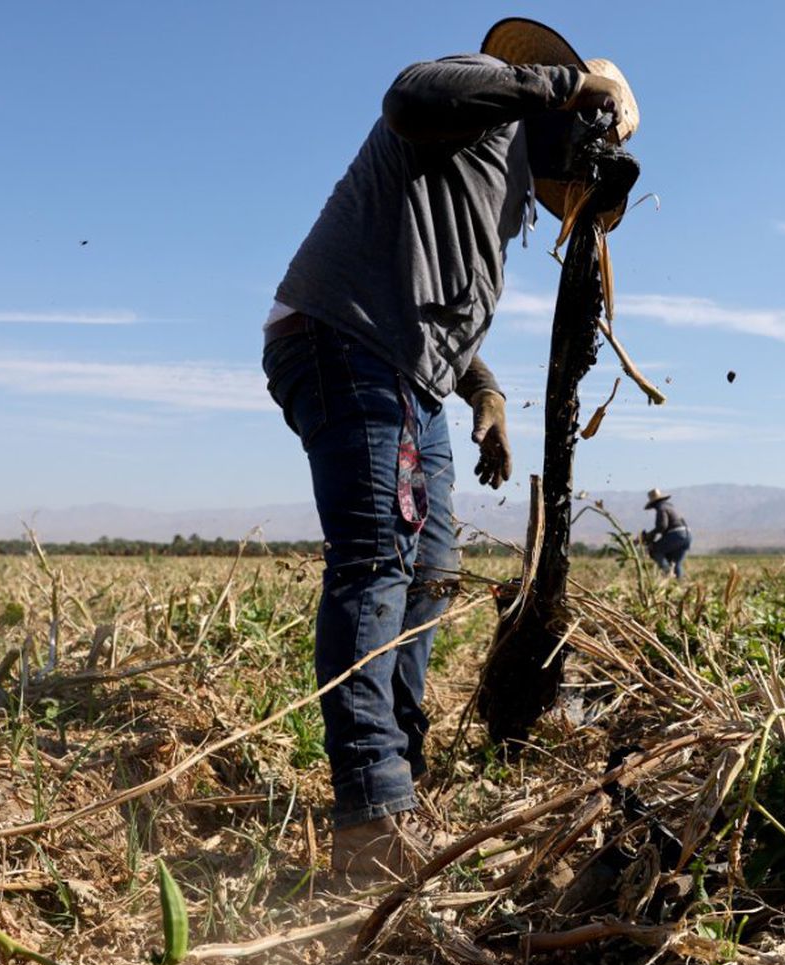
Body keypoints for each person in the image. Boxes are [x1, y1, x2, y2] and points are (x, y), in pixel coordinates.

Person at [260, 18, 638, 887]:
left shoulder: (499, 188)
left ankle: (402, 777)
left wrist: (486, 394)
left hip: (405, 369)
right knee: (377, 565)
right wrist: (567, 88)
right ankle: (372, 814)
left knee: (430, 570)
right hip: (348, 344)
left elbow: (428, 291)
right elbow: (406, 94)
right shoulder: (480, 97)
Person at [642, 489, 691, 578]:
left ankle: (668, 575)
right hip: (687, 536)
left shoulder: (661, 508)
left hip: (676, 535)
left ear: (653, 503)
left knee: (656, 551)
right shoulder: (670, 507)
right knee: (676, 563)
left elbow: (662, 526)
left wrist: (649, 536)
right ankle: (679, 584)